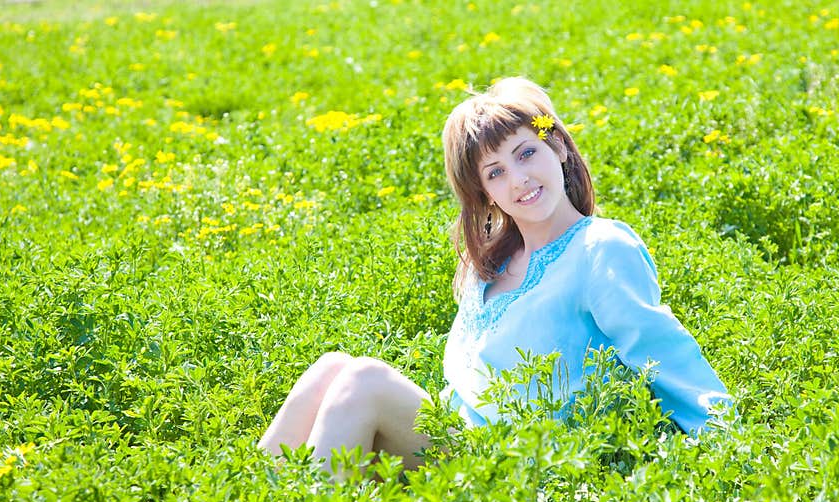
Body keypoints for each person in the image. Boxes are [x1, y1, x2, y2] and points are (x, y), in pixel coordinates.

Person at [258, 76, 732, 475]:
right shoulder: (486, 266)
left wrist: (734, 450)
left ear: (560, 148)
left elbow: (664, 351)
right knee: (331, 367)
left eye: (527, 154)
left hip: (522, 468)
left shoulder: (601, 248)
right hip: (461, 444)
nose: (519, 179)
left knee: (363, 379)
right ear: (484, 193)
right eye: (496, 172)